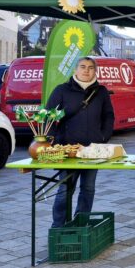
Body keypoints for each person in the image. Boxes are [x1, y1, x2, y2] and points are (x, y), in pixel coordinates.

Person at [47, 57, 115, 228]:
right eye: (83, 67)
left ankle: (80, 224)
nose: (86, 70)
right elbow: (48, 116)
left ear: (95, 71)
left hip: (93, 150)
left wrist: (103, 137)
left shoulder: (101, 91)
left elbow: (108, 116)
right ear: (75, 70)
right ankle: (58, 227)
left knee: (88, 189)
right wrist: (53, 139)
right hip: (67, 150)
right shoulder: (62, 90)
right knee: (64, 191)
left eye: (91, 68)